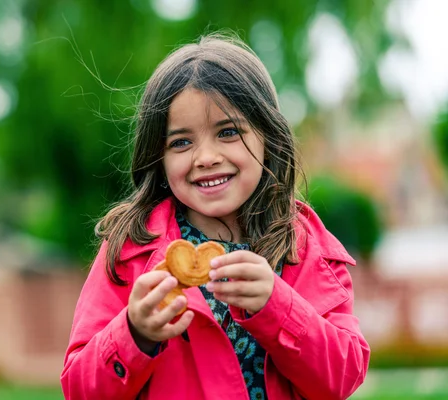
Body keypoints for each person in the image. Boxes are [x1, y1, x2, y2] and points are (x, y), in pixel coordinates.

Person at [61, 33, 370, 400]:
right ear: (157, 157)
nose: (205, 156)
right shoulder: (131, 250)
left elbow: (343, 377)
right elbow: (80, 390)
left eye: (227, 132)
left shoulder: (303, 246)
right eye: (181, 142)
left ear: (267, 139)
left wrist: (279, 307)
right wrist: (134, 334)